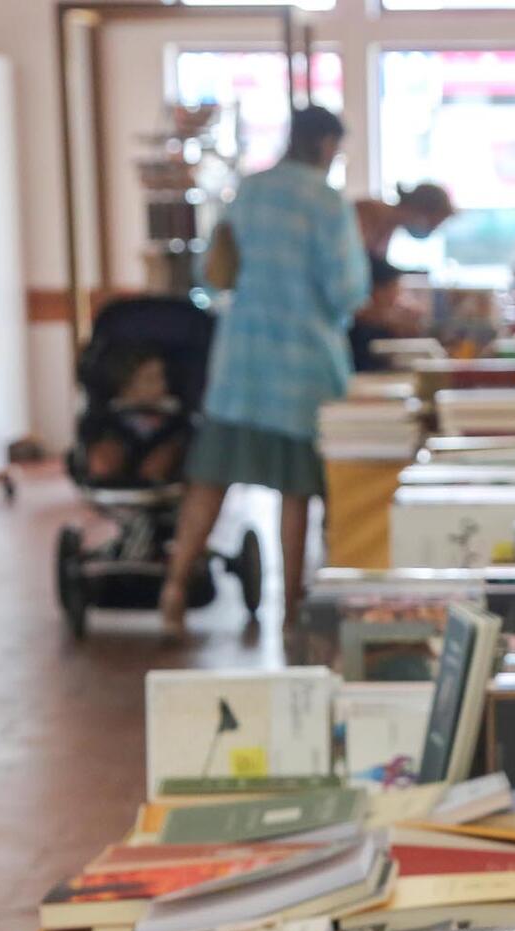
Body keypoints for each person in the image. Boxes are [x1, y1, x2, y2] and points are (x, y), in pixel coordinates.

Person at [161, 105, 368, 634]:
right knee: (295, 492)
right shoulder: (325, 202)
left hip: (239, 361)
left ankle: (174, 587)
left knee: (210, 480)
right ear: (325, 146)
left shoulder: (248, 191)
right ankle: (290, 608)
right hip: (301, 367)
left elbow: (213, 270)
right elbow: (345, 289)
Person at [357, 182, 455, 262]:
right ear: (420, 209)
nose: (429, 230)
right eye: (431, 225)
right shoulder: (367, 213)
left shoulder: (389, 226)